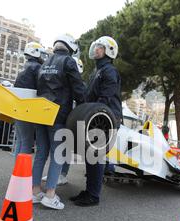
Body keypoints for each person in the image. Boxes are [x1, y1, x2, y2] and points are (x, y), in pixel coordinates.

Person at [33, 34, 86, 210]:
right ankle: (50, 195)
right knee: (58, 154)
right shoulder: (69, 61)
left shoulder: (45, 62)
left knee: (41, 153)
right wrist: (85, 106)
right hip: (58, 114)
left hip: (40, 112)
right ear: (70, 48)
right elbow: (78, 89)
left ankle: (34, 192)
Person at [70, 36, 122, 207]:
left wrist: (93, 112)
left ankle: (93, 195)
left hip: (106, 118)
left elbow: (105, 97)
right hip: (97, 116)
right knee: (90, 155)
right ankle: (89, 190)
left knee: (96, 155)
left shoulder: (109, 71)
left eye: (100, 47)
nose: (96, 49)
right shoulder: (97, 71)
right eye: (96, 46)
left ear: (109, 51)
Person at [42, 56, 84, 187]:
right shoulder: (68, 80)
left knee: (65, 149)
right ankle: (57, 175)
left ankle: (62, 175)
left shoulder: (79, 84)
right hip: (67, 118)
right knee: (62, 150)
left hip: (72, 119)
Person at [13, 42, 46, 158]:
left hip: (18, 107)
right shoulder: (37, 68)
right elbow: (42, 87)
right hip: (28, 109)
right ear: (36, 53)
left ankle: (16, 172)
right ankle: (21, 174)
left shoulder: (26, 66)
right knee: (27, 143)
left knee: (20, 141)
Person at [0, 80, 14, 151]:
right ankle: (3, 144)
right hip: (7, 111)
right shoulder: (7, 93)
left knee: (0, 127)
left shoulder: (0, 91)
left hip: (2, 110)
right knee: (6, 128)